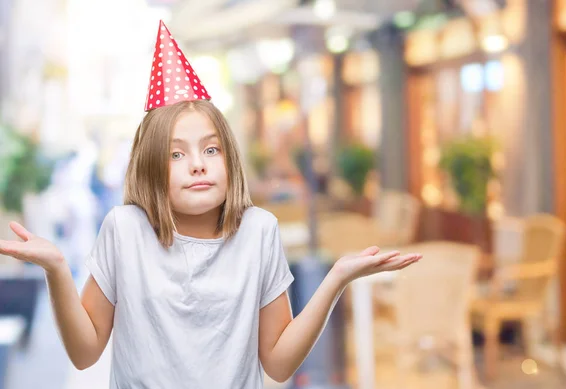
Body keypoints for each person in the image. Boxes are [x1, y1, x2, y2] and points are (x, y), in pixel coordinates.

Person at [0, 21, 422, 388]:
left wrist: (336, 280)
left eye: (211, 150)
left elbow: (277, 363)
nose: (198, 165)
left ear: (229, 159)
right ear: (150, 167)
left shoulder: (259, 230)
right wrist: (57, 269)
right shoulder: (124, 229)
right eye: (176, 154)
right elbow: (85, 353)